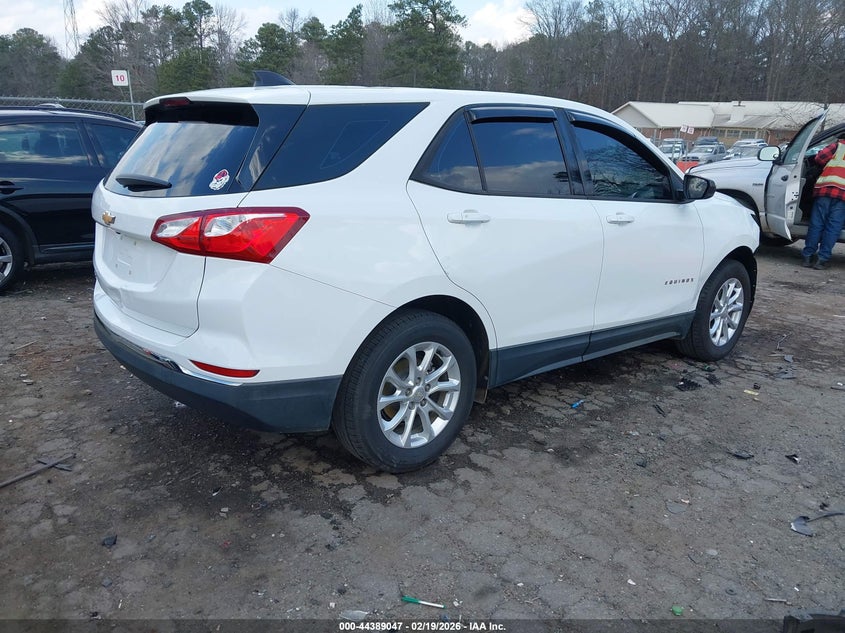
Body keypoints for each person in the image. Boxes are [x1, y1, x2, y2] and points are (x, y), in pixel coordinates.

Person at [802, 135, 845, 270]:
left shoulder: (837, 146)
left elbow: (819, 158)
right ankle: (822, 259)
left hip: (825, 189)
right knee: (833, 227)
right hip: (843, 195)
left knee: (817, 224)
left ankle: (808, 256)